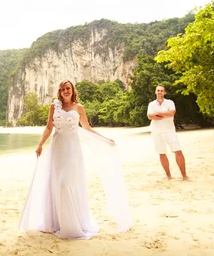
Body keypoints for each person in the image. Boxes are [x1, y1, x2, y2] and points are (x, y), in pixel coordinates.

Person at [18, 80, 132, 239]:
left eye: (68, 88)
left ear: (72, 90)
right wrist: (40, 145)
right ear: (60, 91)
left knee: (68, 183)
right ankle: (58, 222)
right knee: (57, 183)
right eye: (63, 89)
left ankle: (72, 224)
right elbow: (49, 127)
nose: (65, 91)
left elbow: (87, 128)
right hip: (57, 149)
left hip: (73, 150)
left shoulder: (79, 108)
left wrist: (105, 140)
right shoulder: (54, 106)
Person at [147, 85, 190, 181]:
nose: (160, 92)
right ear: (155, 92)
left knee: (178, 151)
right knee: (162, 153)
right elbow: (150, 116)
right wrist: (164, 114)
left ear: (164, 92)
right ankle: (168, 176)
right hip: (156, 131)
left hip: (169, 130)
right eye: (158, 90)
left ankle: (184, 176)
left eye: (162, 91)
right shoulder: (151, 104)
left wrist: (158, 114)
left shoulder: (170, 102)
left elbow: (172, 113)